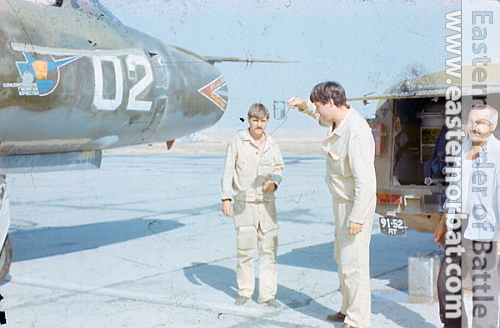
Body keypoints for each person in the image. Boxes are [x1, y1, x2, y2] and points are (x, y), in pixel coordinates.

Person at [287, 81, 376, 328]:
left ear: (330, 103)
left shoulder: (355, 132)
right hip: (342, 203)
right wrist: (303, 105)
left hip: (354, 205)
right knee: (343, 258)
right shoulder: (338, 120)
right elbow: (319, 116)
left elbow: (366, 183)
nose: (318, 110)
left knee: (354, 264)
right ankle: (347, 309)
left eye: (318, 105)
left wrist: (358, 217)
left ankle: (358, 321)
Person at [434, 104, 500, 328]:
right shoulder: (463, 149)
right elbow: (454, 190)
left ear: (493, 125)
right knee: (446, 283)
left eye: (480, 122)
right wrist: (442, 224)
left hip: (486, 229)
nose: (474, 126)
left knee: (484, 291)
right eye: (471, 121)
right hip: (458, 225)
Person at [220, 103, 284, 308]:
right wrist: (226, 198)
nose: (259, 125)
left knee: (268, 251)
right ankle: (245, 292)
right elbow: (228, 169)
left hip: (267, 205)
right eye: (255, 120)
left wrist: (274, 181)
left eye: (263, 121)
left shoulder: (273, 143)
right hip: (244, 204)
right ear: (249, 120)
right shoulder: (238, 141)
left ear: (267, 121)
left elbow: (279, 167)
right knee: (245, 250)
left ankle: (267, 295)